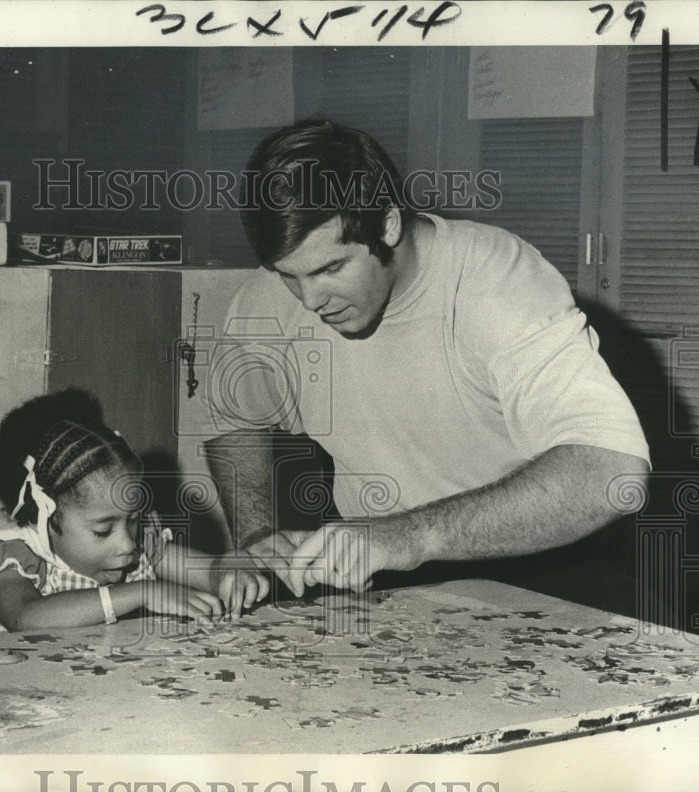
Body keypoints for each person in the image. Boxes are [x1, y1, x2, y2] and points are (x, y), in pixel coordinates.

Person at [202, 119, 650, 596]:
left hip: (537, 565)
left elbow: (612, 472)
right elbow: (237, 417)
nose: (310, 300)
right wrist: (255, 533)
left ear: (387, 223)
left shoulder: (497, 281)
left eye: (331, 268)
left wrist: (409, 534)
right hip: (379, 575)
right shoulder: (271, 297)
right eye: (289, 275)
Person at [0, 390, 269, 636]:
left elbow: (212, 569)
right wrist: (143, 592)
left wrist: (231, 575)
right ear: (44, 517)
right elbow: (25, 619)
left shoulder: (141, 553)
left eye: (133, 519)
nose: (127, 544)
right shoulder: (12, 564)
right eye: (103, 530)